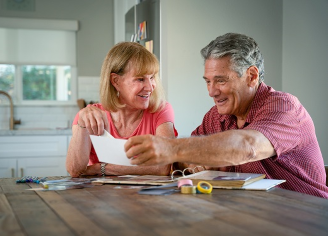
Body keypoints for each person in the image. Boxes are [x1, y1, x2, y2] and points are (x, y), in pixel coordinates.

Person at [125, 33, 328, 199]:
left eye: (220, 81)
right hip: (252, 215)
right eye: (208, 81)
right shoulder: (216, 116)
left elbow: (247, 146)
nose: (211, 92)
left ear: (252, 76)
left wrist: (171, 148)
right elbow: (188, 156)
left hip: (305, 216)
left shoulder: (284, 107)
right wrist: (195, 161)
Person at [66, 42, 177, 177]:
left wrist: (101, 169)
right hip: (98, 196)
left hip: (146, 197)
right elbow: (75, 170)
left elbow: (162, 168)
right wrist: (82, 121)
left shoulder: (161, 110)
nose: (150, 87)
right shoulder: (90, 116)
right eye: (140, 79)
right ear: (116, 81)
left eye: (152, 77)